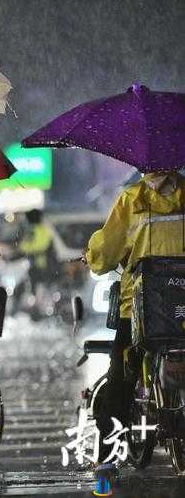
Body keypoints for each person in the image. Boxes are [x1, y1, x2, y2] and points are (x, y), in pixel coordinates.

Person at [85, 170, 185, 462]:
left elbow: (104, 254)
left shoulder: (131, 200)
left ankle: (105, 459)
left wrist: (91, 256)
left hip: (142, 311)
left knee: (119, 383)